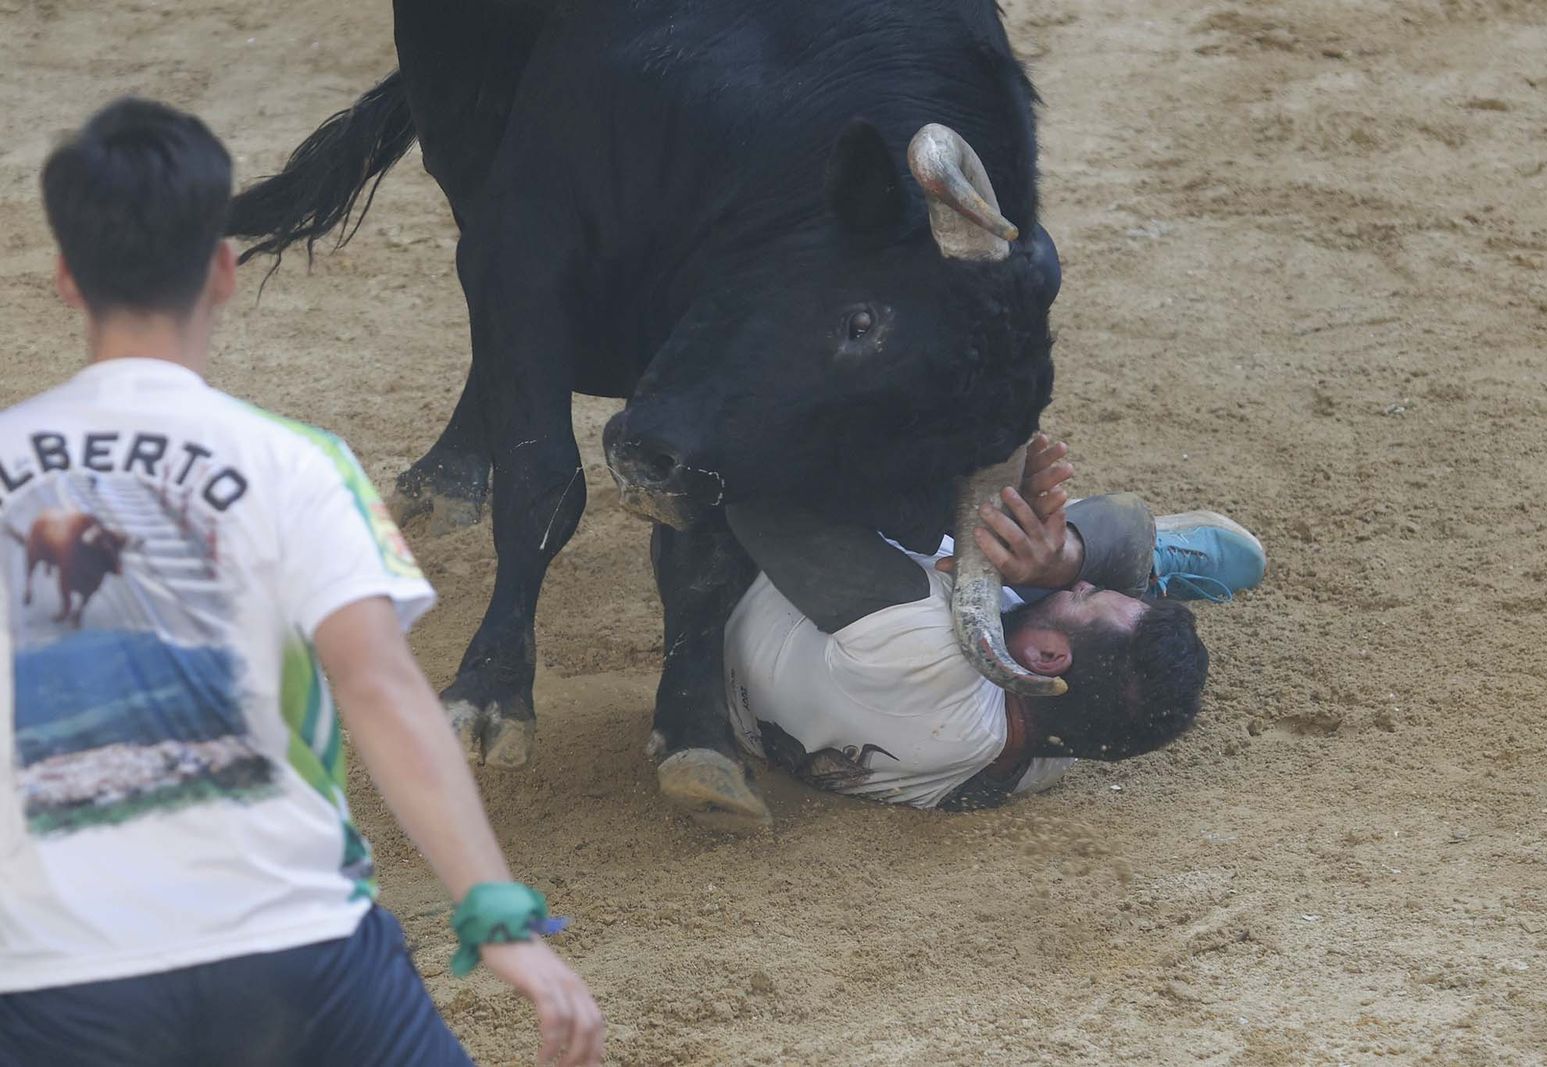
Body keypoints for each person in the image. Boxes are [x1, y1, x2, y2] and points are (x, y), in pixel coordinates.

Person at [0, 99, 602, 1067]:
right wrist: (497, 913)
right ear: (224, 269)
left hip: (53, 968)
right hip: (291, 945)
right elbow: (382, 688)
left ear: (67, 279)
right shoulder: (298, 463)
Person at [722, 434, 1267, 810]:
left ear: (1047, 657)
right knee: (1084, 569)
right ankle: (1128, 570)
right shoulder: (1035, 760)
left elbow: (760, 498)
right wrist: (1051, 566)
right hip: (771, 706)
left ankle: (1132, 560)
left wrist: (965, 503)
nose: (1080, 588)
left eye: (1085, 598)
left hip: (742, 570)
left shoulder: (921, 653)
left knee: (1114, 537)